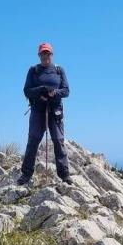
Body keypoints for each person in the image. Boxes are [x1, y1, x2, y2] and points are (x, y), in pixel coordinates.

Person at [18, 42, 72, 185]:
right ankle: (26, 174)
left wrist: (54, 93)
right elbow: (27, 90)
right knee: (33, 140)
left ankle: (65, 175)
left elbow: (66, 91)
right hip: (38, 109)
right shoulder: (33, 70)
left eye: (47, 53)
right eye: (43, 54)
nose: (45, 56)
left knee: (58, 140)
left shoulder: (59, 70)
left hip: (55, 110)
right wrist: (41, 90)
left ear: (51, 55)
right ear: (39, 55)